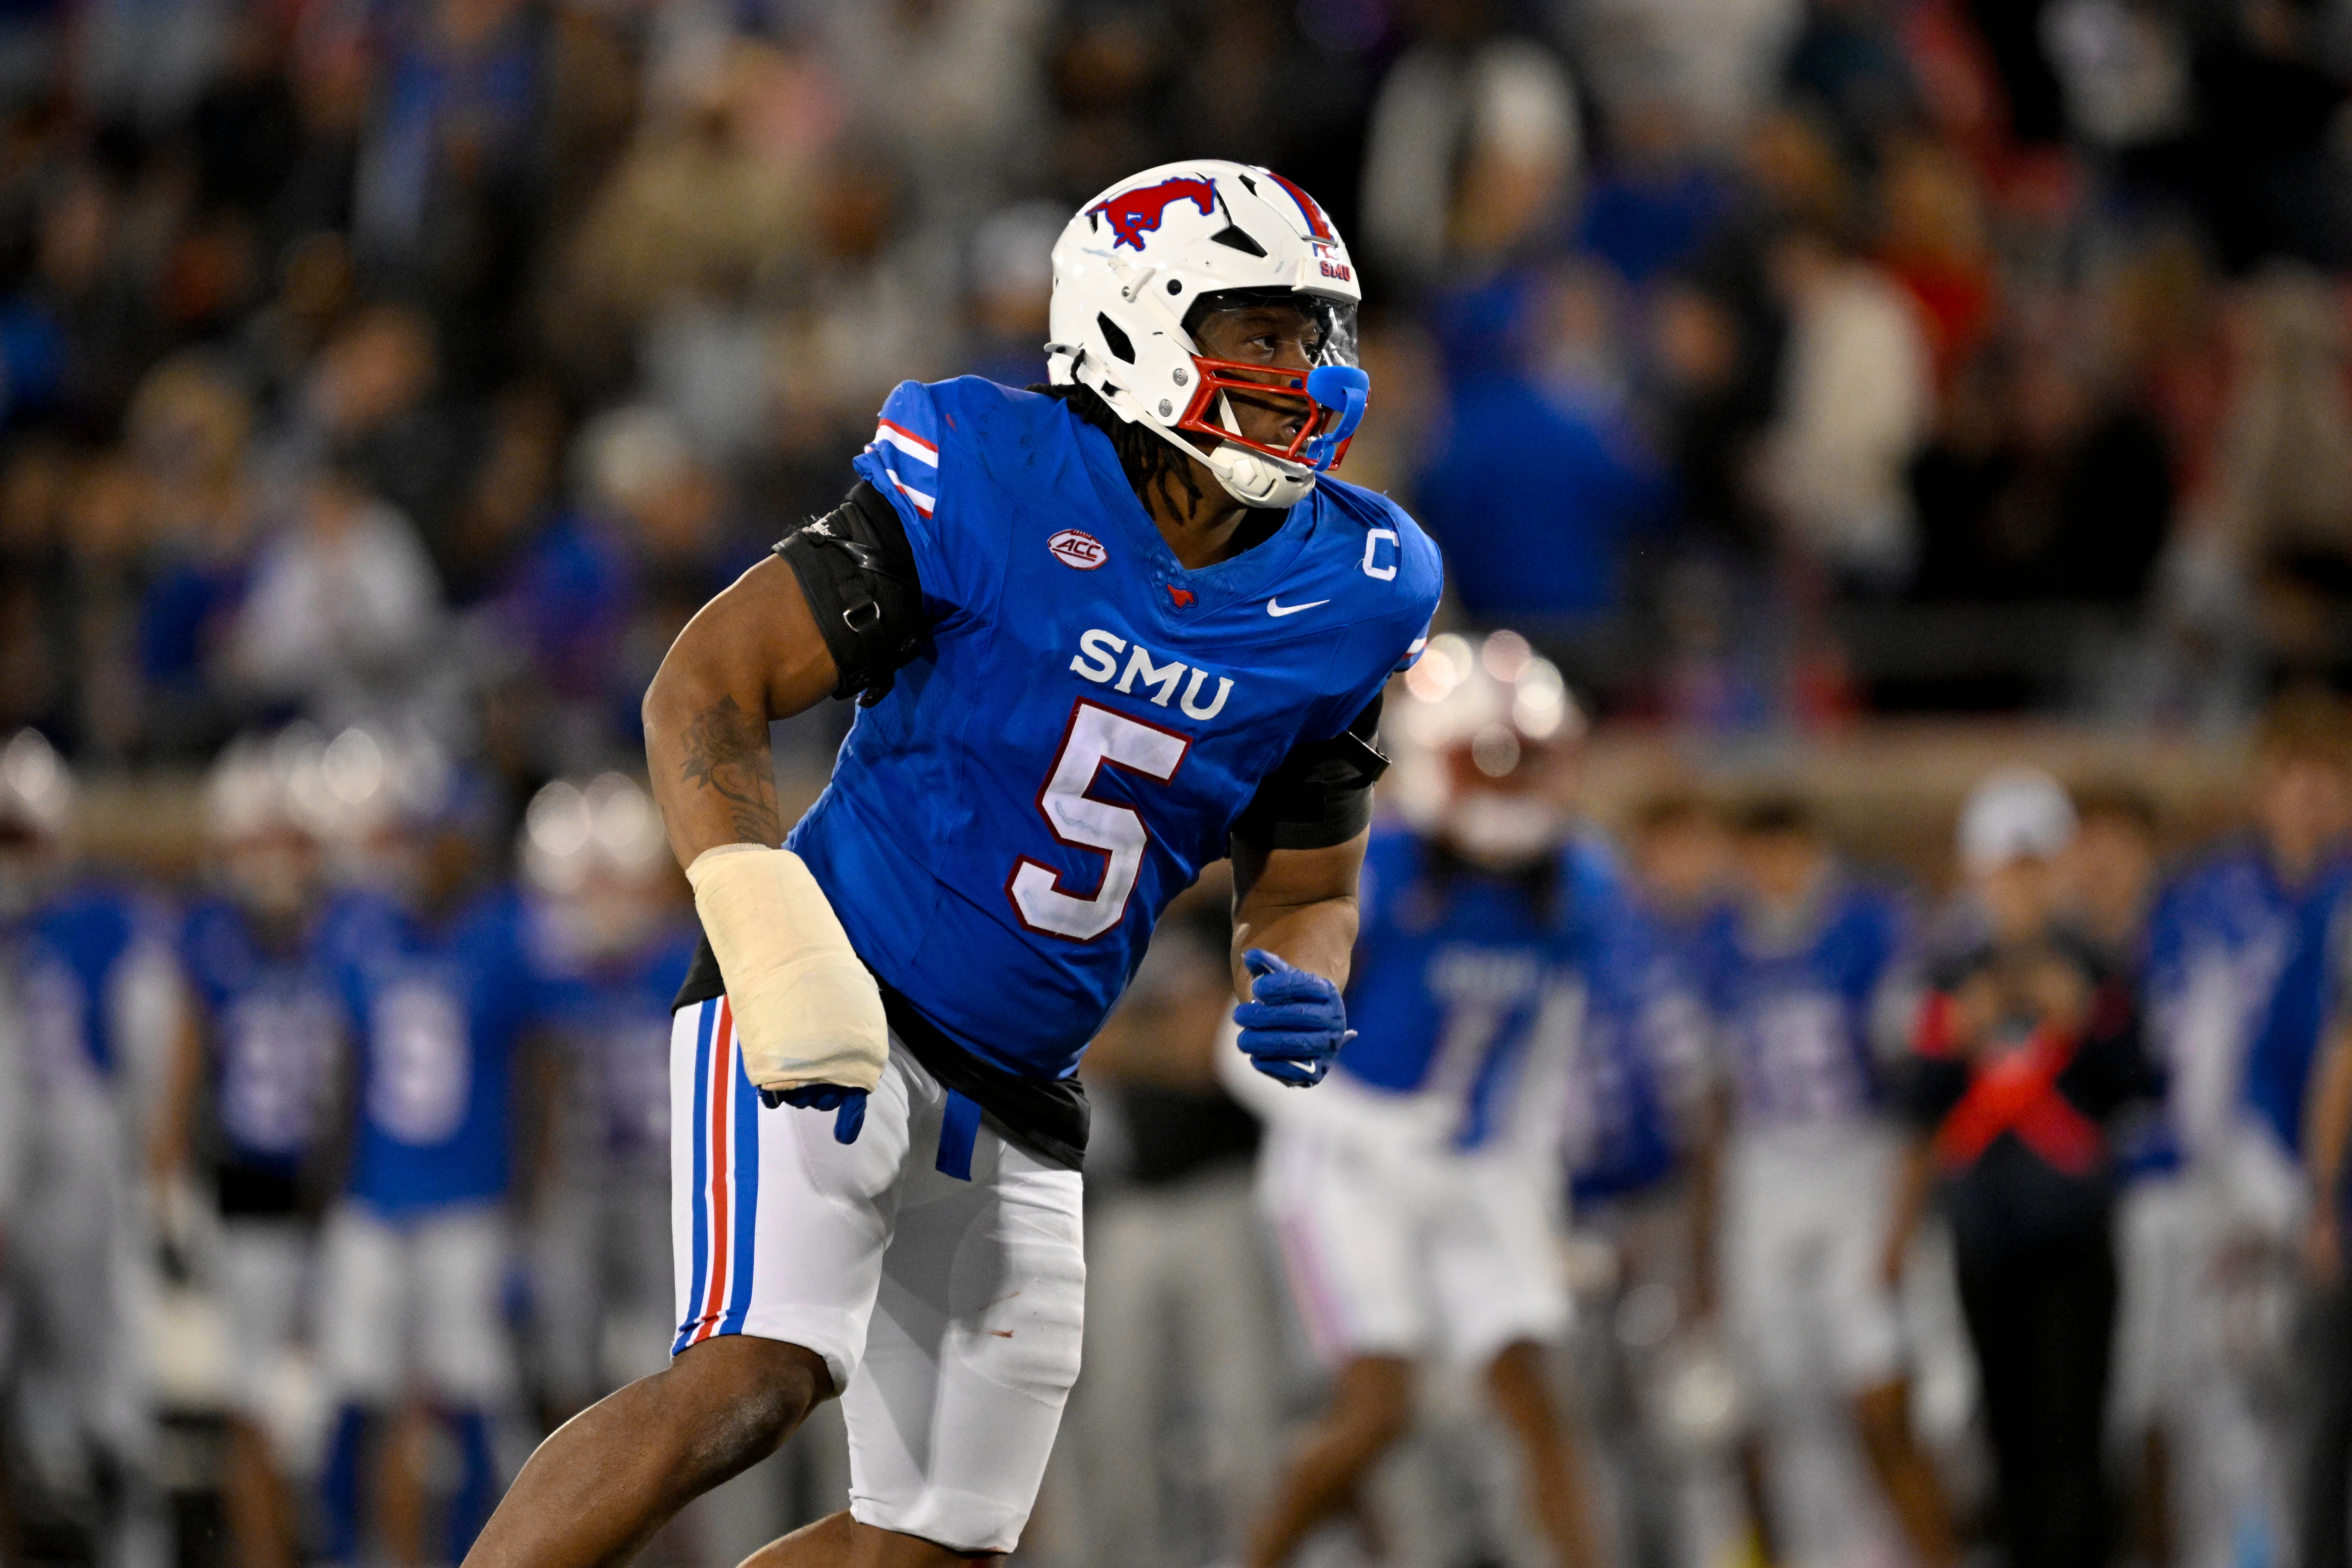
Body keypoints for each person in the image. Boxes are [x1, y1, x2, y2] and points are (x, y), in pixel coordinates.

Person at [464, 159, 1442, 1568]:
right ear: (1139, 321)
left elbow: (1304, 875)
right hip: (833, 996)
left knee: (931, 1548)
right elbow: (706, 682)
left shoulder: (1356, 587)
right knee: (755, 1372)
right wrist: (761, 924)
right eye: (1262, 332)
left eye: (1311, 337)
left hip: (1020, 1088)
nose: (1304, 372)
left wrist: (1300, 968)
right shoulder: (990, 471)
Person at [1230, 630, 1616, 1568]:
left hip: (1473, 1163)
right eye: (1490, 759)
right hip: (1348, 1163)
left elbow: (1544, 1057)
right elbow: (1237, 1049)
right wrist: (1383, 1130)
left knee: (1535, 1394)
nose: (1513, 784)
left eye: (1528, 760)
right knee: (1379, 1409)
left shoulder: (1574, 886)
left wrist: (1532, 1184)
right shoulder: (1375, 862)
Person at [1885, 768, 2156, 1568]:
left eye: (2034, 864)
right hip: (1981, 1223)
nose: (2021, 884)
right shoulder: (1946, 969)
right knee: (1998, 1416)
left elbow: (2137, 1080)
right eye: (2006, 866)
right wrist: (1956, 1031)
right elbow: (1914, 1093)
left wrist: (2085, 1019)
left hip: (2072, 1221)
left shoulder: (2095, 960)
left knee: (2076, 1417)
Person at [309, 727, 556, 1565]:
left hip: (468, 1201)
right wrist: (329, 1197)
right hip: (376, 1196)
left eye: (443, 840)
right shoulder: (361, 929)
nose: (428, 856)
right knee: (353, 1390)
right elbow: (344, 1079)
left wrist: (527, 1204)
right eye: (420, 838)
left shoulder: (504, 936)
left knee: (473, 1397)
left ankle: (479, 1555)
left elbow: (539, 1078)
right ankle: (350, 1550)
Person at [1690, 793, 1956, 1568]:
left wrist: (1904, 1217)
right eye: (1760, 853)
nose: (1776, 871)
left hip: (1856, 1165)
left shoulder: (1873, 925)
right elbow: (1713, 1102)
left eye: (1790, 851)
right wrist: (1710, 1244)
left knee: (1880, 1398)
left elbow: (1915, 1084)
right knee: (1764, 1406)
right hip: (1764, 1173)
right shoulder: (1717, 942)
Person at [2134, 689, 2352, 1568]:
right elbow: (2204, 1056)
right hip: (2237, 1169)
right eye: (2289, 775)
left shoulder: (2339, 892)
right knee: (2217, 1397)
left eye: (2326, 775)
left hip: (2323, 1182)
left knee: (2316, 1408)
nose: (2307, 795)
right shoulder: (2201, 896)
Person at [148, 732, 347, 1568]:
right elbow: (184, 1077)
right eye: (260, 839)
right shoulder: (206, 938)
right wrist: (169, 1192)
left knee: (337, 1406)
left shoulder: (347, 932)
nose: (275, 858)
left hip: (341, 1198)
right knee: (251, 1405)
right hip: (245, 1193)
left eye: (290, 838)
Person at [2, 726, 176, 1564]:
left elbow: (154, 1041)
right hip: (16, 1170)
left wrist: (149, 1161)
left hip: (81, 1158)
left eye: (19, 834)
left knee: (103, 1374)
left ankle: (126, 1534)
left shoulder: (100, 916)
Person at [514, 773, 697, 1421]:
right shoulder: (548, 968)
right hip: (578, 1178)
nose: (604, 899)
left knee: (668, 1362)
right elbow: (535, 1088)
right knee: (567, 1360)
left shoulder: (684, 956)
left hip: (669, 1183)